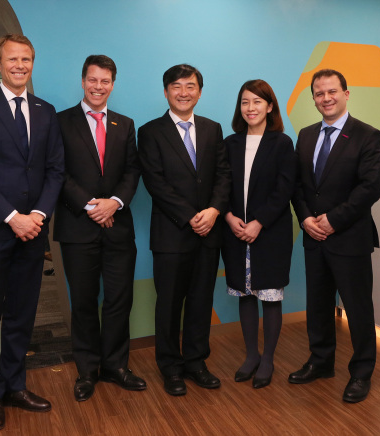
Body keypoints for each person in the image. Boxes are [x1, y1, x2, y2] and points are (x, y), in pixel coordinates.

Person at [0, 34, 65, 430]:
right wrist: (12, 217)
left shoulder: (46, 110)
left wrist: (35, 214)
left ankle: (15, 384)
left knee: (22, 313)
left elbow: (55, 169)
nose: (20, 65)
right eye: (13, 59)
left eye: (27, 59)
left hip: (34, 231)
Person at [290, 69, 380, 403]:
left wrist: (332, 220)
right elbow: (298, 185)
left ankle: (361, 373)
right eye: (319, 94)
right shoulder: (305, 135)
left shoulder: (367, 135)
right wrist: (305, 219)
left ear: (347, 94)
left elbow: (369, 188)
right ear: (313, 98)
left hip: (349, 237)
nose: (326, 99)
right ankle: (321, 361)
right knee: (317, 304)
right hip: (313, 237)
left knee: (358, 309)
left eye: (332, 92)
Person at [53, 55, 144, 402]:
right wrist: (93, 205)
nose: (98, 87)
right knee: (85, 302)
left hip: (118, 227)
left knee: (120, 300)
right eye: (93, 80)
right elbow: (57, 171)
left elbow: (132, 170)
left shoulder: (125, 123)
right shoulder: (61, 122)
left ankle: (116, 366)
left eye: (105, 81)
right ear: (82, 81)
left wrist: (115, 203)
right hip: (78, 227)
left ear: (113, 85)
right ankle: (87, 370)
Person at [138, 64, 231, 396]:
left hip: (209, 233)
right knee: (169, 305)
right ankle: (171, 367)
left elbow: (223, 175)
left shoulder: (212, 129)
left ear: (199, 92)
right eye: (176, 86)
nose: (183, 92)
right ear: (166, 92)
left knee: (201, 301)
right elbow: (155, 183)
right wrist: (191, 215)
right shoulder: (150, 132)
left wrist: (214, 211)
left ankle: (196, 362)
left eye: (190, 86)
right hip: (172, 234)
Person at [222, 80, 296, 389]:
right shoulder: (230, 143)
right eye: (244, 102)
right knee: (245, 293)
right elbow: (221, 185)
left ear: (269, 106)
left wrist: (258, 222)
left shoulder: (281, 142)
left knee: (269, 295)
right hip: (235, 230)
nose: (250, 108)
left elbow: (284, 190)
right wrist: (228, 217)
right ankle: (251, 356)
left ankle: (267, 359)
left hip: (270, 232)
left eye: (257, 102)